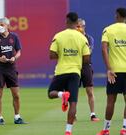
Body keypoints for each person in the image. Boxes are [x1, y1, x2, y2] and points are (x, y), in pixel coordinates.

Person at [48, 12, 90, 135]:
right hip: (75, 72)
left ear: (66, 21)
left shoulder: (58, 36)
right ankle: (68, 131)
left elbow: (51, 55)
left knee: (51, 93)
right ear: (77, 23)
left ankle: (62, 94)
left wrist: (63, 54)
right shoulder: (82, 37)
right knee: (73, 103)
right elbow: (87, 59)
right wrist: (76, 58)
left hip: (61, 71)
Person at [0, 17, 27, 125]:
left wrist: (15, 57)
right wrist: (0, 58)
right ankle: (0, 118)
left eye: (2, 25)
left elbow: (19, 51)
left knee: (16, 94)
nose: (0, 27)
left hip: (11, 68)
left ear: (7, 26)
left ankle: (17, 117)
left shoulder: (14, 37)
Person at [97, 7, 126, 135]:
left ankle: (106, 129)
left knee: (110, 101)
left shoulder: (108, 29)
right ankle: (124, 129)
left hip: (114, 71)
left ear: (117, 15)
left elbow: (104, 49)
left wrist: (109, 68)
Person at [76, 18, 100, 121]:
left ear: (84, 27)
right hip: (75, 66)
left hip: (86, 66)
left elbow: (88, 52)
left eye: (79, 26)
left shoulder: (89, 38)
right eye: (76, 26)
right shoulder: (73, 38)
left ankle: (93, 114)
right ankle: (74, 115)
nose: (78, 28)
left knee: (90, 91)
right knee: (74, 92)